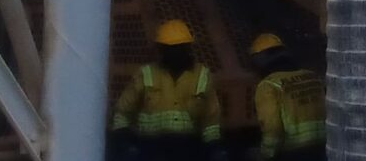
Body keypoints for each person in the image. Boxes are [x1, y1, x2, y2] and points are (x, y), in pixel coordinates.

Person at [110, 19, 224, 159]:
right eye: (170, 49)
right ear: (161, 50)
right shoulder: (146, 74)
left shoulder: (201, 76)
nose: (175, 53)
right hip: (150, 150)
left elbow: (211, 121)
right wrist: (124, 142)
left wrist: (213, 149)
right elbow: (122, 113)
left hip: (188, 151)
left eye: (179, 48)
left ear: (188, 48)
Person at [247, 32, 325, 160]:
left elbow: (272, 129)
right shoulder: (312, 76)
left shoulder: (268, 86)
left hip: (293, 152)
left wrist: (264, 154)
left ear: (260, 60)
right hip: (323, 147)